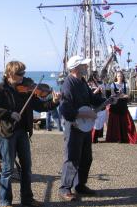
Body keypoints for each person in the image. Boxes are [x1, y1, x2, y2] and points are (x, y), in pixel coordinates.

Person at [0, 61, 61, 207]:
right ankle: (5, 202)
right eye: (19, 74)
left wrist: (54, 102)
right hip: (7, 133)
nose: (23, 76)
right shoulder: (0, 89)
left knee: (27, 167)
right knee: (8, 169)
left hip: (23, 131)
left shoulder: (28, 89)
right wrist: (9, 114)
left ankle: (27, 199)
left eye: (24, 73)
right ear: (9, 74)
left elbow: (41, 105)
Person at [59, 55, 106, 201]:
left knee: (86, 158)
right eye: (84, 65)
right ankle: (65, 189)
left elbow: (92, 99)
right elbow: (65, 109)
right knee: (72, 158)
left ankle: (80, 185)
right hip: (74, 126)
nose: (87, 67)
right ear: (75, 68)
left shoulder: (82, 81)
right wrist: (83, 113)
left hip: (85, 126)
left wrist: (108, 100)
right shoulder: (68, 84)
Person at [106, 71, 137, 144]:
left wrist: (120, 95)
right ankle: (116, 138)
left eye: (121, 76)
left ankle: (126, 137)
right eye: (118, 76)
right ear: (116, 77)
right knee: (115, 123)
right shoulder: (113, 85)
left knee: (128, 122)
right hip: (115, 106)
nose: (120, 77)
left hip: (123, 106)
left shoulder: (126, 85)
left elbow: (128, 96)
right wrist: (121, 95)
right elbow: (113, 96)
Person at [87, 71, 108, 143]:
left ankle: (96, 137)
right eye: (96, 75)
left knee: (100, 121)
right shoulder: (89, 84)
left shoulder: (100, 83)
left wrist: (102, 91)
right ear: (93, 76)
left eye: (98, 75)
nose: (98, 77)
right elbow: (88, 95)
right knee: (95, 122)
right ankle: (93, 139)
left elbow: (104, 95)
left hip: (101, 103)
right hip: (94, 105)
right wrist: (96, 90)